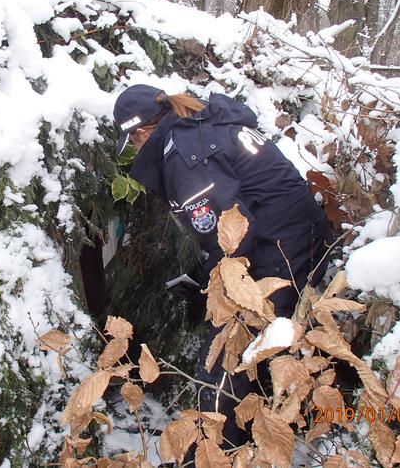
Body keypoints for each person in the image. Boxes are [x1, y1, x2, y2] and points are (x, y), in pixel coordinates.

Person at [112, 84, 332, 451]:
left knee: (223, 360)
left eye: (132, 142)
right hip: (299, 237)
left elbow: (231, 236)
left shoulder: (184, 154)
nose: (135, 151)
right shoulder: (201, 124)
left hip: (281, 251)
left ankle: (218, 451)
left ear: (141, 133)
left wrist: (218, 291)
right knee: (258, 348)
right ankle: (255, 432)